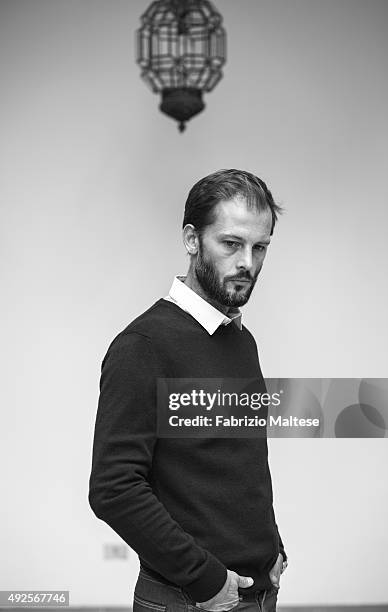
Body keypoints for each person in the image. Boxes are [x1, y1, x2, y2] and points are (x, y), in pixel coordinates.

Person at [88, 169, 288, 612]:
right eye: (231, 244)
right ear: (192, 240)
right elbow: (113, 488)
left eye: (260, 248)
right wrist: (205, 581)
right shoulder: (143, 346)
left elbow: (237, 465)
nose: (248, 263)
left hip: (260, 592)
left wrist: (272, 546)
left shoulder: (240, 339)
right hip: (187, 599)